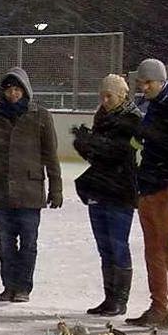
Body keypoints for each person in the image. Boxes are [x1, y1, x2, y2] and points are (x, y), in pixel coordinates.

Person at [0, 67, 62, 303]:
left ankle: (23, 287)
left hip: (30, 191)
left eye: (17, 89)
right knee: (5, 244)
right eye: (9, 90)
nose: (13, 94)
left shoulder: (40, 116)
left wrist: (56, 188)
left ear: (25, 91)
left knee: (29, 243)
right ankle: (9, 286)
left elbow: (50, 155)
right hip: (1, 191)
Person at [125, 59, 168, 329]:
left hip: (165, 188)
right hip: (148, 187)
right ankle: (158, 305)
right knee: (153, 251)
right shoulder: (151, 108)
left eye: (148, 82)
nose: (144, 87)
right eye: (141, 82)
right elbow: (143, 144)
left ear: (162, 81)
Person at [72, 74, 141, 317]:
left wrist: (94, 144)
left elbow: (118, 153)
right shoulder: (102, 118)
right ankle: (109, 297)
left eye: (109, 95)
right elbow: (99, 156)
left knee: (117, 244)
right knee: (105, 247)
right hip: (100, 189)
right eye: (102, 95)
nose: (104, 99)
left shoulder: (132, 121)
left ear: (122, 95)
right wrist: (86, 145)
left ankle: (119, 299)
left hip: (120, 192)